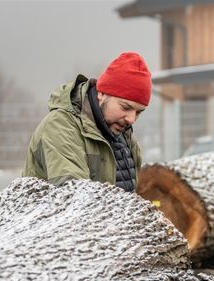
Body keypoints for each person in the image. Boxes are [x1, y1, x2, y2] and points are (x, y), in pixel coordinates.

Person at [24, 52, 151, 191]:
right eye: (125, 107)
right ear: (102, 94)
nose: (131, 119)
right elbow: (74, 198)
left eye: (138, 112)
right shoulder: (60, 127)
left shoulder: (124, 136)